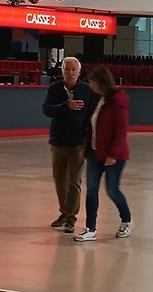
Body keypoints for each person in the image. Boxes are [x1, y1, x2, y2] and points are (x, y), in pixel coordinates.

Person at [75, 67, 133, 242]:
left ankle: (127, 220)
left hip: (114, 155)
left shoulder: (118, 101)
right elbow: (91, 125)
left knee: (112, 190)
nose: (90, 85)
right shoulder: (98, 99)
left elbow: (121, 131)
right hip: (95, 152)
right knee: (91, 190)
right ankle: (90, 228)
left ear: (101, 82)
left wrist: (113, 154)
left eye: (92, 82)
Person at [42, 57, 94, 233]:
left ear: (79, 72)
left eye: (73, 70)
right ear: (62, 70)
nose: (70, 72)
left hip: (79, 142)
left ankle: (71, 216)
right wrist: (66, 106)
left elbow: (92, 115)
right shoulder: (54, 88)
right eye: (67, 69)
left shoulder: (87, 90)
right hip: (58, 141)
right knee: (60, 180)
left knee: (74, 181)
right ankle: (64, 212)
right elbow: (47, 110)